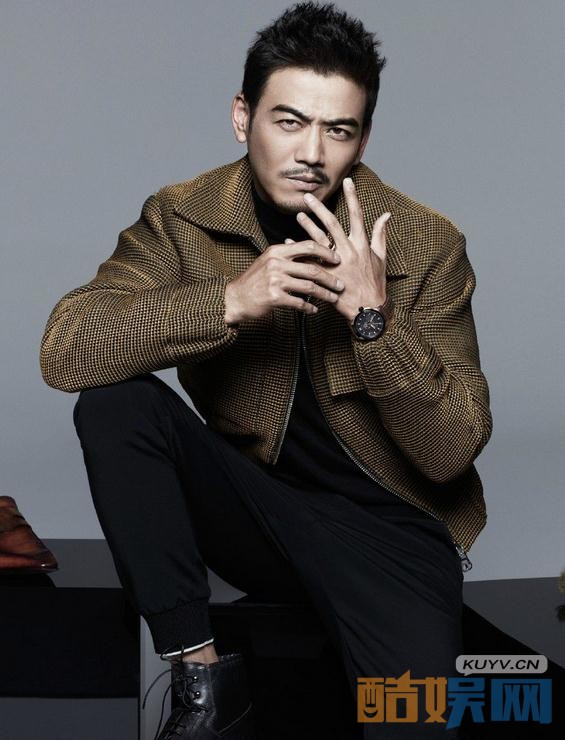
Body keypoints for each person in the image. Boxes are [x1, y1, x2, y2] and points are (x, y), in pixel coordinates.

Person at [39, 2, 492, 738]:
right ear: (242, 116)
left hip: (392, 537)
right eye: (288, 121)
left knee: (413, 720)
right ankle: (201, 678)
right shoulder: (184, 218)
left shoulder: (423, 241)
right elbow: (66, 351)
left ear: (362, 139)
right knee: (115, 404)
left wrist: (373, 319)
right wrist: (229, 301)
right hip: (260, 512)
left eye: (337, 130)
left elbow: (451, 452)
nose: (310, 152)